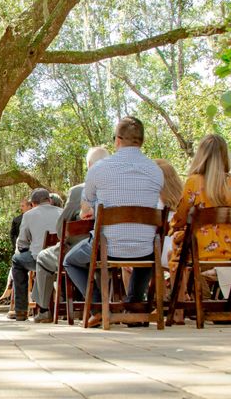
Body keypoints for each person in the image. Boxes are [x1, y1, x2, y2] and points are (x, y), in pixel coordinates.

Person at [63, 116, 163, 327]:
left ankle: (99, 306)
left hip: (107, 245)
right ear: (142, 141)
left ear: (118, 140)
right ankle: (134, 304)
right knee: (146, 249)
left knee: (70, 260)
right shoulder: (156, 171)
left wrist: (88, 211)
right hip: (146, 247)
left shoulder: (98, 169)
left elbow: (86, 206)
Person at [31, 147, 109, 323]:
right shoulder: (117, 189)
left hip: (80, 250)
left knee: (43, 257)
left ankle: (44, 310)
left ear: (89, 166)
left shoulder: (78, 191)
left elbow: (61, 230)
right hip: (111, 248)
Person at [169, 135, 231, 315]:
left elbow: (180, 217)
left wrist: (172, 226)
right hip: (226, 250)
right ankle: (209, 299)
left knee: (174, 254)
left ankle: (179, 312)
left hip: (196, 252)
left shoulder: (194, 182)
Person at [10, 188, 62, 321]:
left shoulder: (28, 215)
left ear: (32, 203)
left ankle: (21, 310)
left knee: (17, 260)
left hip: (38, 258)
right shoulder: (62, 213)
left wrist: (26, 248)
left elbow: (22, 242)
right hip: (61, 258)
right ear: (49, 200)